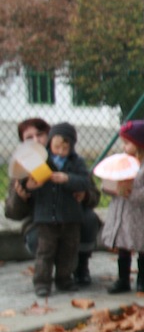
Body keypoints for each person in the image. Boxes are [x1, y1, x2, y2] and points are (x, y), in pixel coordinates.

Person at [6, 118, 100, 286]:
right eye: (29, 138)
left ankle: (80, 267)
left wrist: (84, 195)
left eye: (40, 135)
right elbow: (11, 212)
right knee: (40, 240)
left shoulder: (73, 161)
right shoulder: (24, 168)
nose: (36, 141)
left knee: (90, 221)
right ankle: (44, 278)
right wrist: (22, 195)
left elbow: (94, 195)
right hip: (41, 221)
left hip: (70, 217)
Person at [27, 123, 91, 297]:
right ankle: (42, 282)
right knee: (45, 252)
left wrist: (67, 179)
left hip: (70, 218)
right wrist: (30, 186)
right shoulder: (41, 161)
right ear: (49, 144)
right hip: (46, 218)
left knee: (68, 251)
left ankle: (64, 279)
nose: (61, 151)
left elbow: (86, 182)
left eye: (65, 147)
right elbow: (27, 184)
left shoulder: (76, 163)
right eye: (56, 147)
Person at [102, 120, 144, 295]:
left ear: (140, 145)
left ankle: (143, 279)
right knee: (123, 247)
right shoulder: (121, 162)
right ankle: (123, 279)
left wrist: (131, 194)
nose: (123, 146)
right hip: (122, 213)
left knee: (143, 248)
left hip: (142, 215)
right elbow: (108, 178)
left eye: (127, 143)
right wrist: (109, 187)